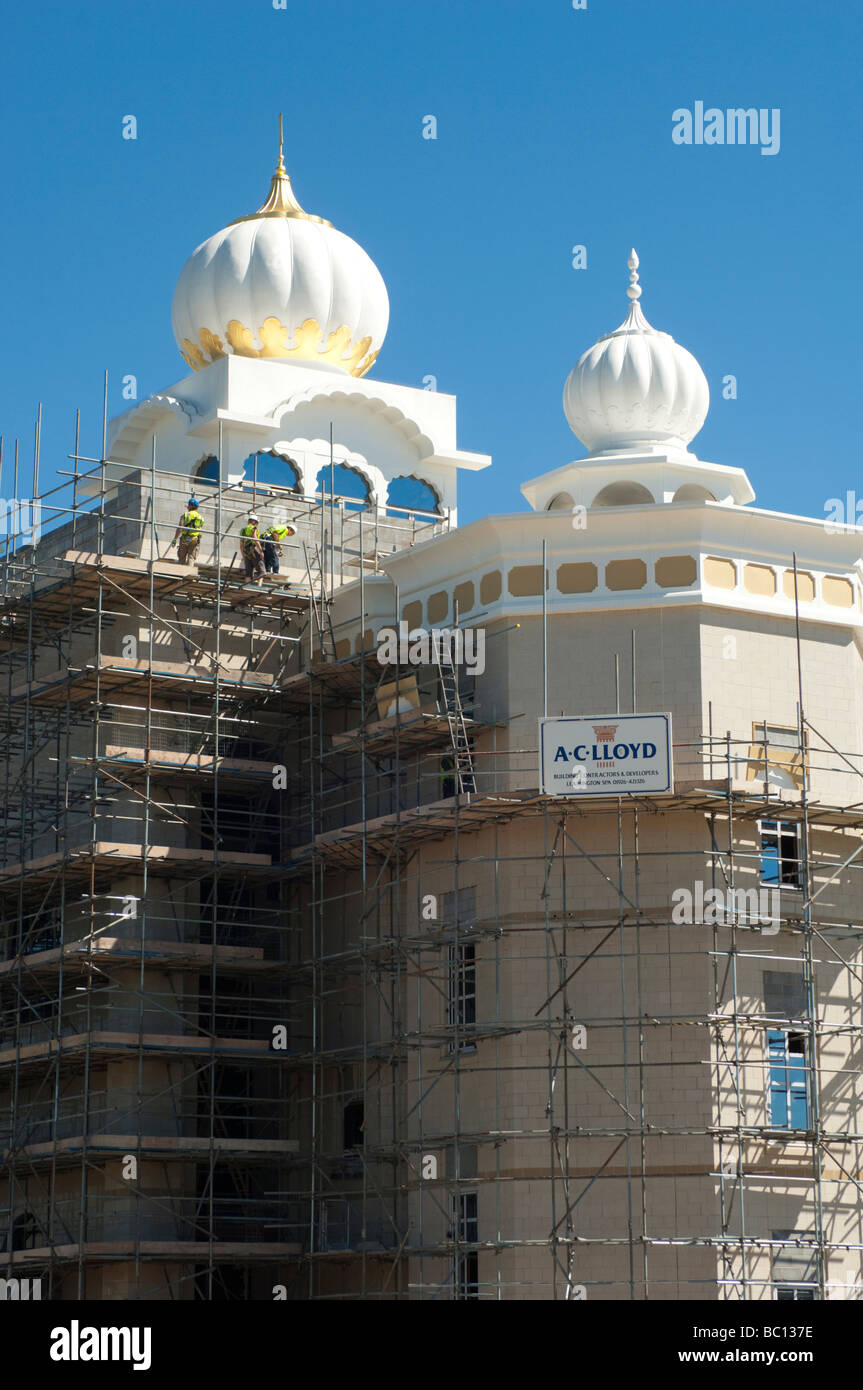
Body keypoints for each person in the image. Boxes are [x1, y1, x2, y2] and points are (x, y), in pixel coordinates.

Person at [173, 497, 204, 565]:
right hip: (194, 540)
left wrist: (175, 539)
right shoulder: (201, 518)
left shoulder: (185, 515)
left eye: (188, 505)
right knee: (191, 558)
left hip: (184, 539)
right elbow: (199, 530)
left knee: (181, 558)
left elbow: (180, 528)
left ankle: (180, 574)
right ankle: (188, 573)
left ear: (190, 505)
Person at [240, 513, 265, 585]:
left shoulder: (243, 530)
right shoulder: (253, 528)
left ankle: (246, 586)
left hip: (246, 551)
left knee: (248, 572)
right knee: (262, 570)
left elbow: (241, 545)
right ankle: (259, 586)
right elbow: (255, 539)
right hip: (252, 549)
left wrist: (244, 556)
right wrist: (260, 551)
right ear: (254, 522)